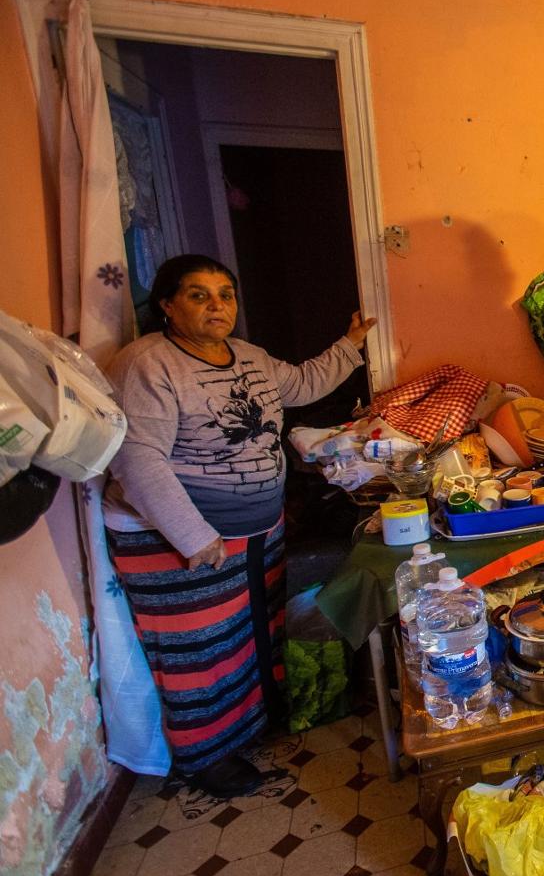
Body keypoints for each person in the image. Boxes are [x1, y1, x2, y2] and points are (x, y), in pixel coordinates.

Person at [103, 254, 376, 798]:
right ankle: (207, 758)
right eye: (199, 295)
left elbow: (300, 384)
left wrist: (350, 345)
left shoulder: (248, 356)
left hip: (256, 530)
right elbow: (138, 460)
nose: (216, 306)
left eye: (225, 294)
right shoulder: (148, 364)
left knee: (249, 634)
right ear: (167, 304)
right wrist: (195, 536)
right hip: (179, 539)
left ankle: (247, 728)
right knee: (199, 649)